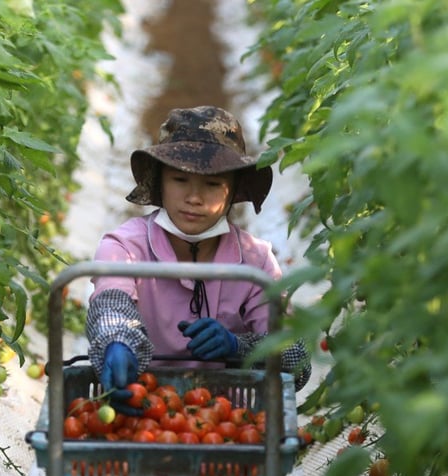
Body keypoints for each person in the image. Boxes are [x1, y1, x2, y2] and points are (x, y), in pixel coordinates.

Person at [85, 106, 311, 414]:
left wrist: (238, 347)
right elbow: (112, 301)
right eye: (180, 179)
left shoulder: (255, 262)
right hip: (142, 407)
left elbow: (297, 361)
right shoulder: (125, 247)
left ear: (232, 190)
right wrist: (116, 341)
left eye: (213, 184)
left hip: (226, 419)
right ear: (159, 182)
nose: (194, 198)